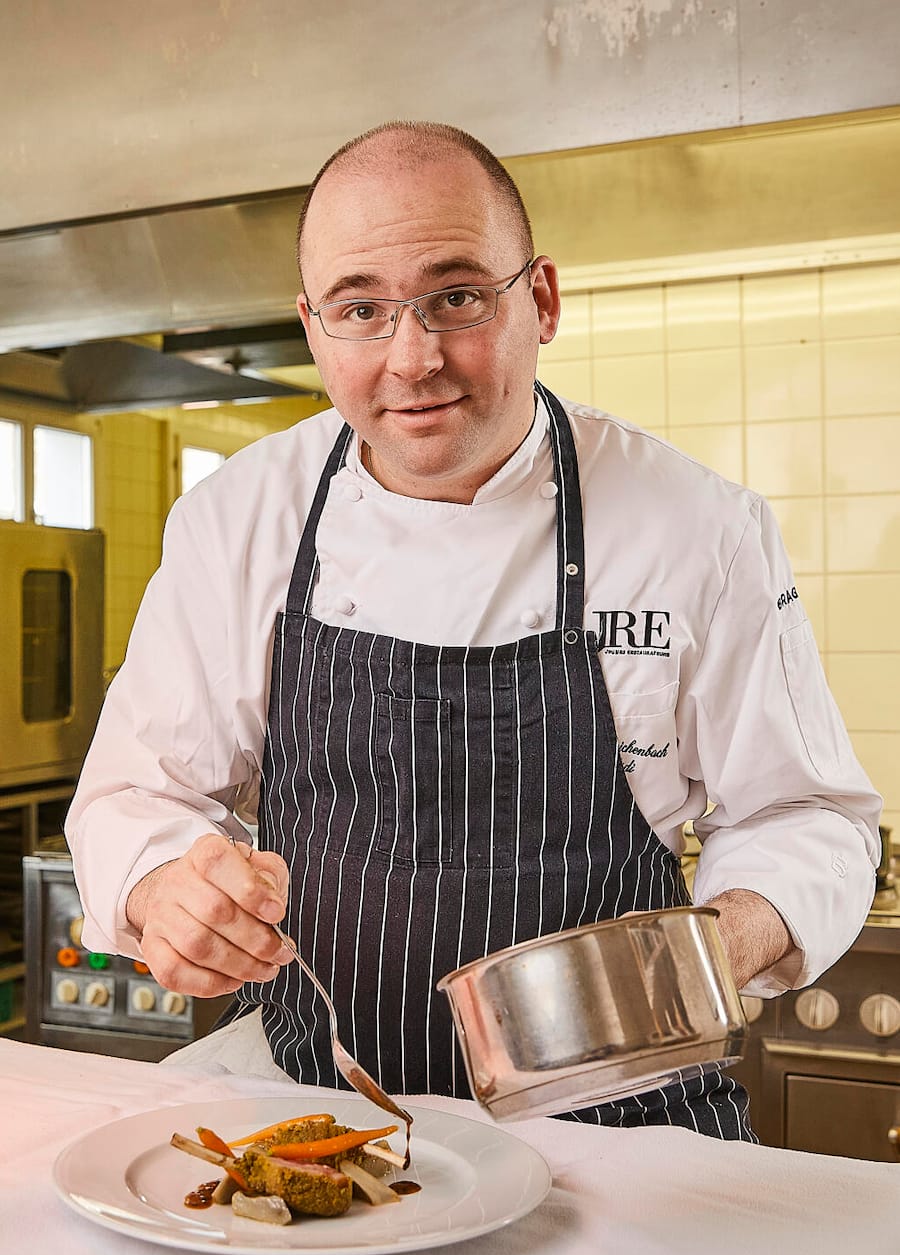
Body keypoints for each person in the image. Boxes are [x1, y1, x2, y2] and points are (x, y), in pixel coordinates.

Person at [66, 121, 881, 1140]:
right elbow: (136, 791)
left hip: (624, 1131)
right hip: (325, 1117)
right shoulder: (237, 522)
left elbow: (809, 813)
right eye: (362, 309)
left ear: (538, 298)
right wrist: (164, 890)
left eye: (456, 296)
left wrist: (711, 949)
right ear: (314, 326)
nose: (413, 360)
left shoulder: (699, 528)